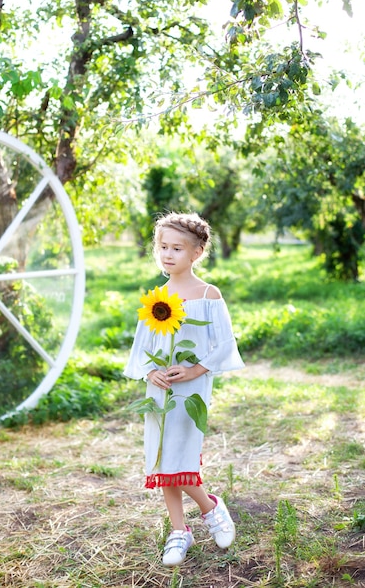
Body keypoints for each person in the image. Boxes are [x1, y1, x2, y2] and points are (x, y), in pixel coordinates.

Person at [124, 212, 244, 567]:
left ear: (197, 252)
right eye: (163, 247)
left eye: (177, 248)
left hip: (191, 391)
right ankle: (179, 530)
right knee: (161, 455)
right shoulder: (157, 298)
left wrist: (195, 369)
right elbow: (142, 346)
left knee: (182, 454)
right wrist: (150, 373)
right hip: (161, 391)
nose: (168, 254)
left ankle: (210, 507)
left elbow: (224, 344)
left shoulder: (208, 295)